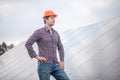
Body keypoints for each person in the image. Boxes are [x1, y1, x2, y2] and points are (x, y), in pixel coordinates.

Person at [25, 10, 69, 80]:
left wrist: (62, 60)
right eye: (51, 18)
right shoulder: (39, 32)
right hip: (44, 65)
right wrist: (36, 57)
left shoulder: (55, 33)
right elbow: (28, 44)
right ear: (45, 19)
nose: (54, 19)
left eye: (54, 18)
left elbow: (60, 47)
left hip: (56, 64)